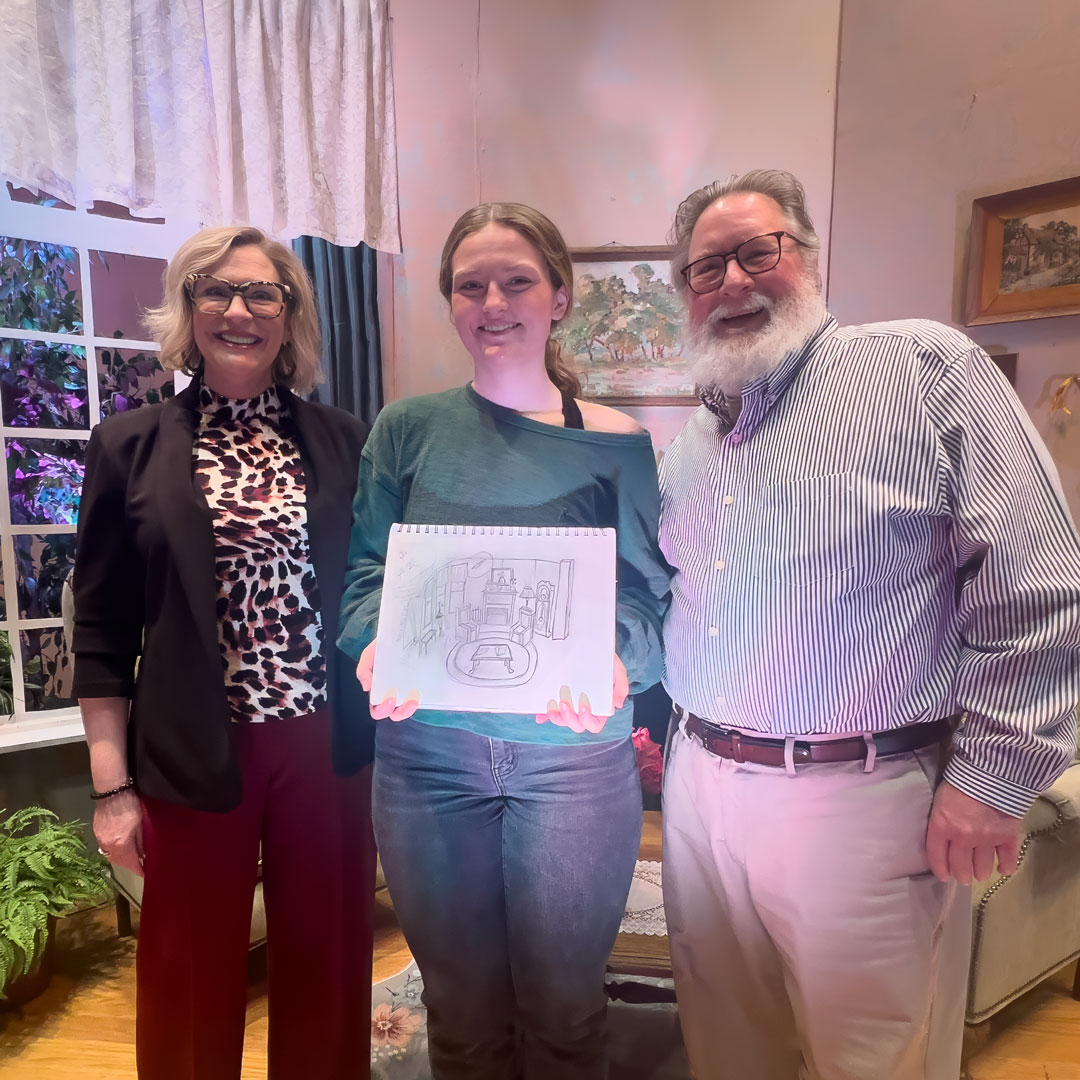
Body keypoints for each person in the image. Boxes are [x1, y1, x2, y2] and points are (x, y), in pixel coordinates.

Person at [658, 169, 1080, 1080]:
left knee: (873, 1061)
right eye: (705, 268)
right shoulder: (688, 447)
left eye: (757, 252)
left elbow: (1039, 580)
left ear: (808, 257)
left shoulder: (922, 369)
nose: (732, 282)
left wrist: (992, 780)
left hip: (859, 795)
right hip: (698, 791)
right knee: (726, 1048)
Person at [337, 202, 670, 1080]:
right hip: (425, 759)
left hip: (572, 762)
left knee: (566, 1012)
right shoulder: (404, 431)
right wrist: (372, 641)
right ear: (450, 300)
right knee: (459, 1012)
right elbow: (365, 573)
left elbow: (651, 600)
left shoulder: (619, 443)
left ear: (558, 297)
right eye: (470, 285)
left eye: (516, 282)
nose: (492, 302)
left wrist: (616, 662)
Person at [73, 225, 376, 1080]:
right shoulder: (128, 444)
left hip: (326, 746)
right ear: (188, 308)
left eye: (261, 293)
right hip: (192, 748)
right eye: (216, 290)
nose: (238, 310)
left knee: (328, 965)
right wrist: (111, 789)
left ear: (289, 313)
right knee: (188, 975)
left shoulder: (345, 440)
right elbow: (99, 630)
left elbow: (375, 589)